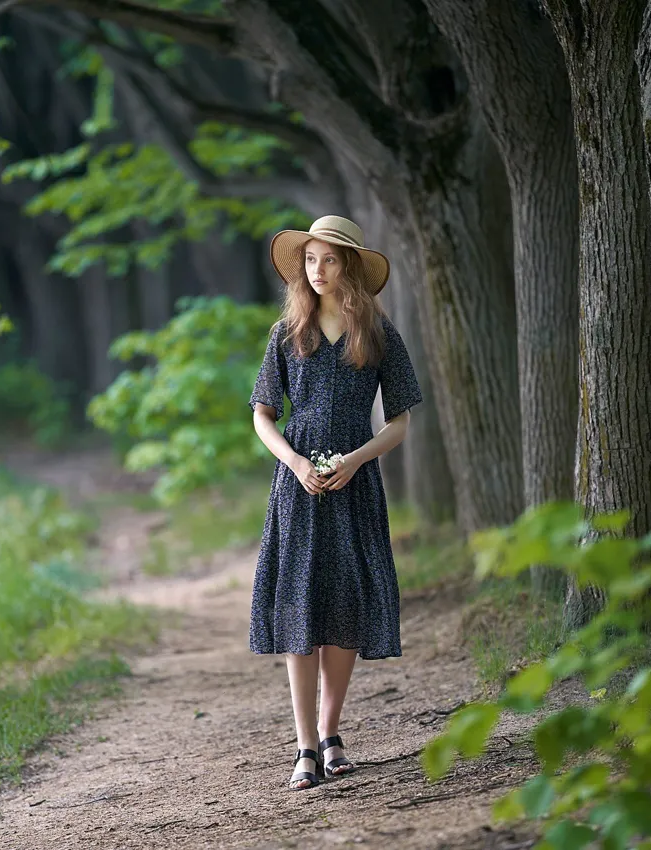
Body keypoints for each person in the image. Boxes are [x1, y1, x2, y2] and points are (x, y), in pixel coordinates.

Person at [248, 215, 423, 790]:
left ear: (348, 264)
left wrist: (355, 460)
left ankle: (330, 733)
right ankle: (302, 748)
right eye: (310, 260)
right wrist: (295, 464)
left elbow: (398, 423)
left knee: (344, 605)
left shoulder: (377, 332)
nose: (317, 270)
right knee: (300, 608)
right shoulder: (286, 333)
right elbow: (262, 415)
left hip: (355, 484)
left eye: (328, 260)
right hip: (297, 488)